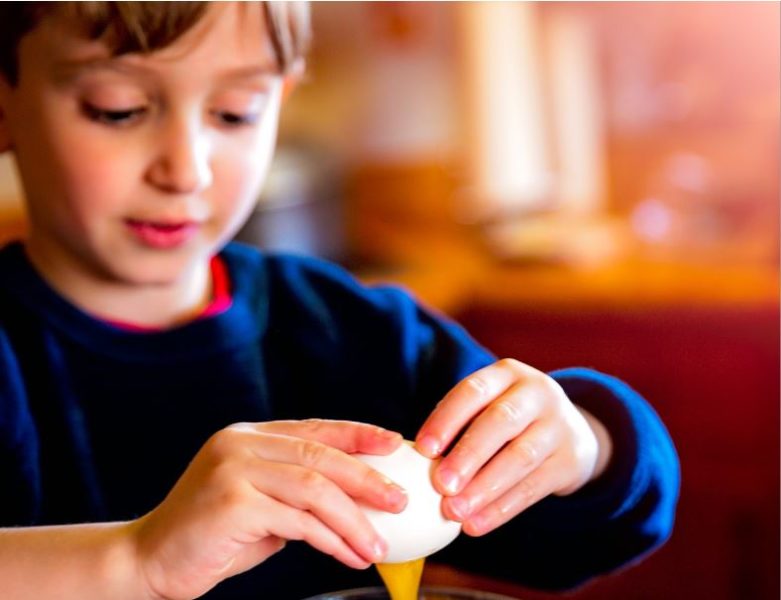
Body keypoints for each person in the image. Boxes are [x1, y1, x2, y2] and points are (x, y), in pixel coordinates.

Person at [0, 2, 679, 599]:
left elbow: (581, 539)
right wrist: (135, 562)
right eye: (118, 109)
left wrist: (583, 447)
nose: (187, 168)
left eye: (235, 113)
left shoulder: (357, 337)